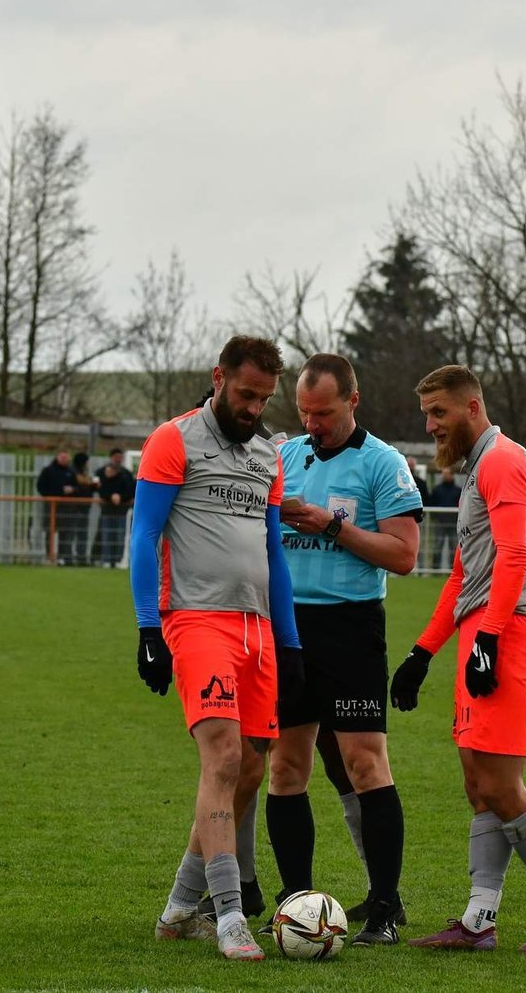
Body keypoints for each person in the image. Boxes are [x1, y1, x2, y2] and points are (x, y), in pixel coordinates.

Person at [391, 364, 526, 954]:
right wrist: (422, 652)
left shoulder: (502, 460)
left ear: (472, 407)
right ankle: (479, 921)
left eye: (439, 413)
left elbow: (512, 556)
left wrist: (490, 639)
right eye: (426, 415)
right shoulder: (480, 467)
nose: (431, 426)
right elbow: (463, 576)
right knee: (478, 786)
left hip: (509, 634)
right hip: (487, 632)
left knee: (501, 787)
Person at [134, 335, 304, 961]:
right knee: (224, 757)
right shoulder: (173, 439)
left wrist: (290, 642)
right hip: (197, 619)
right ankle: (229, 916)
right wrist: (148, 629)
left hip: (258, 630)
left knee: (251, 769)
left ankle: (179, 908)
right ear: (218, 378)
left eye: (264, 399)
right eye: (245, 394)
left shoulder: (268, 455)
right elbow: (144, 534)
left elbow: (274, 552)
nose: (254, 409)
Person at [252, 353, 423, 946]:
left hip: (350, 628)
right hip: (288, 629)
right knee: (286, 767)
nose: (312, 423)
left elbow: (404, 555)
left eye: (322, 413)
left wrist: (331, 525)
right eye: (304, 412)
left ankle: (385, 908)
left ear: (353, 400)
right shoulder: (285, 457)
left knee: (364, 764)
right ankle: (295, 903)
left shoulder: (383, 463)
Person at [36, 450, 79, 565]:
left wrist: (72, 490)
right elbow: (40, 487)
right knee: (50, 531)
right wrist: (51, 496)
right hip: (51, 505)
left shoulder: (71, 472)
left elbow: (77, 487)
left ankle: (62, 557)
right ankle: (49, 556)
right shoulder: (48, 470)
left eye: (66, 458)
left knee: (65, 532)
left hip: (66, 507)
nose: (65, 460)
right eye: (62, 457)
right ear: (57, 457)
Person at [95, 448, 135, 567]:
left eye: (120, 457)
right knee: (106, 534)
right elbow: (98, 489)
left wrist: (121, 497)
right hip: (106, 509)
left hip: (121, 510)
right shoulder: (101, 473)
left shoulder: (126, 474)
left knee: (120, 535)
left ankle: (117, 560)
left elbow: (131, 490)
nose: (118, 459)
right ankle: (106, 559)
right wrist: (110, 496)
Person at [428, 466, 463, 571]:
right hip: (440, 522)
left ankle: (453, 570)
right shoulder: (437, 490)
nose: (445, 476)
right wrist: (435, 517)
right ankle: (435, 570)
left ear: (452, 475)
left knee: (454, 547)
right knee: (437, 546)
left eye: (447, 474)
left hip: (453, 523)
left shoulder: (458, 490)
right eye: (444, 474)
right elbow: (432, 503)